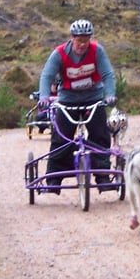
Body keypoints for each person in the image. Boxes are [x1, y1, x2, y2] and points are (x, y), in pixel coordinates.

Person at [38, 19, 117, 193]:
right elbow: (47, 76)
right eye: (79, 40)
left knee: (100, 135)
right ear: (72, 38)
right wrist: (44, 97)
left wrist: (110, 95)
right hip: (67, 100)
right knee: (60, 137)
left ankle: (102, 176)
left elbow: (108, 74)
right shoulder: (59, 54)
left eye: (86, 40)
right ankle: (54, 179)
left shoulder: (97, 51)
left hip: (93, 98)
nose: (82, 44)